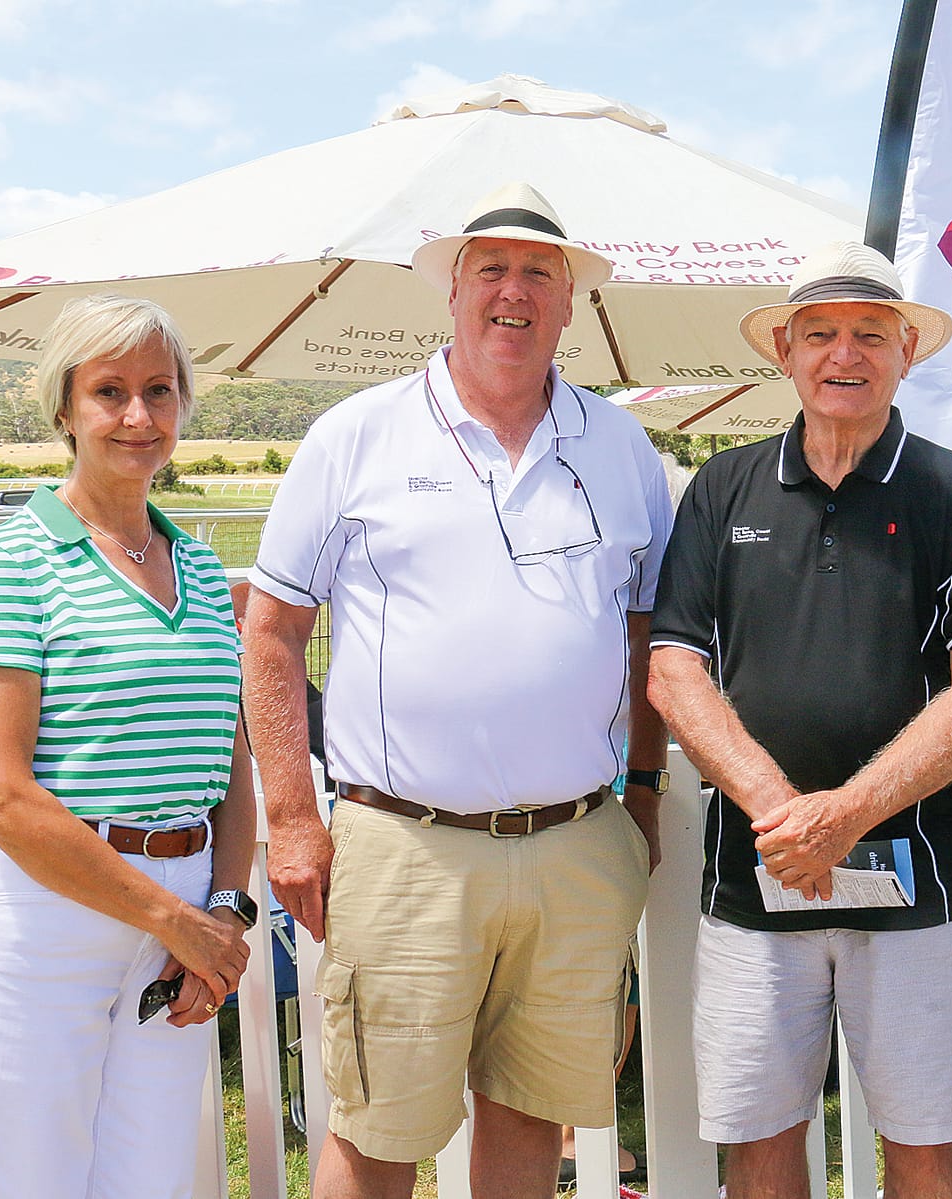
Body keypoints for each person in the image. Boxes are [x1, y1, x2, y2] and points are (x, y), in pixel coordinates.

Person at [242, 182, 674, 1199]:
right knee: (377, 1129)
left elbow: (648, 631)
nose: (512, 293)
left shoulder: (621, 449)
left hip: (575, 839)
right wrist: (297, 818)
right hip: (404, 843)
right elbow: (270, 632)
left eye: (537, 273)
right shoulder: (356, 434)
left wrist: (645, 788)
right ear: (451, 292)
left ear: (570, 304)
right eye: (491, 269)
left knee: (530, 1117)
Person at [648, 241, 952, 1199]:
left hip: (922, 882)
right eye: (819, 333)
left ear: (908, 351)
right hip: (756, 876)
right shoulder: (721, 489)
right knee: (762, 1140)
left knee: (927, 1144)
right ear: (785, 349)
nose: (842, 354)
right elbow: (674, 671)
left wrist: (841, 818)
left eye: (868, 333)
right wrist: (787, 816)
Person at [0, 294, 255, 1199]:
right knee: (22, 1176)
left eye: (160, 389)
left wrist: (223, 908)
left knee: (148, 1177)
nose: (137, 416)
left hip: (184, 908)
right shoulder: (5, 563)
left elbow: (228, 761)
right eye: (109, 391)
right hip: (49, 915)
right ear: (65, 409)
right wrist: (172, 918)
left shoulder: (195, 563)